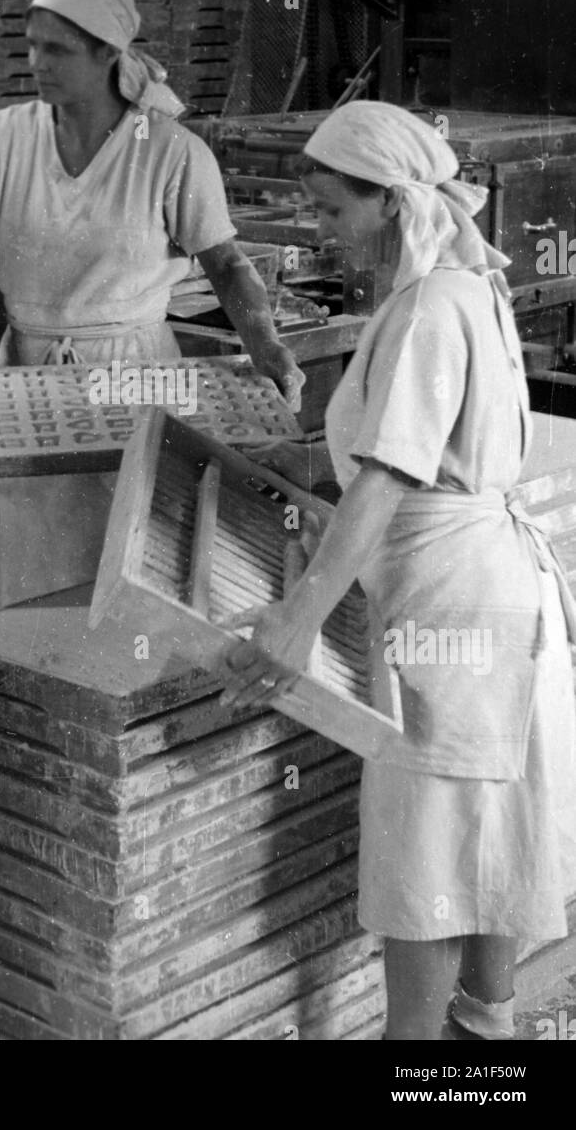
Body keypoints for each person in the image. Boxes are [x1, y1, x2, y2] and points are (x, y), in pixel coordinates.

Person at [221, 100, 576, 1041]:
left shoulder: (425, 309)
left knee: (426, 850)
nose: (322, 233)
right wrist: (330, 525)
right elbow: (425, 475)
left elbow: (390, 477)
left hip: (448, 602)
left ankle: (413, 1055)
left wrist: (298, 614)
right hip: (491, 583)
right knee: (489, 816)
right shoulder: (471, 285)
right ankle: (486, 1029)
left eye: (334, 212)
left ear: (390, 203)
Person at [0, 0, 304, 610]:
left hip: (136, 372)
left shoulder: (170, 153)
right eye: (30, 45)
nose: (37, 62)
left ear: (107, 54)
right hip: (29, 376)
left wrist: (267, 347)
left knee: (132, 560)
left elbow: (227, 265)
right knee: (31, 562)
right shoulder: (1, 140)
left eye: (57, 49)